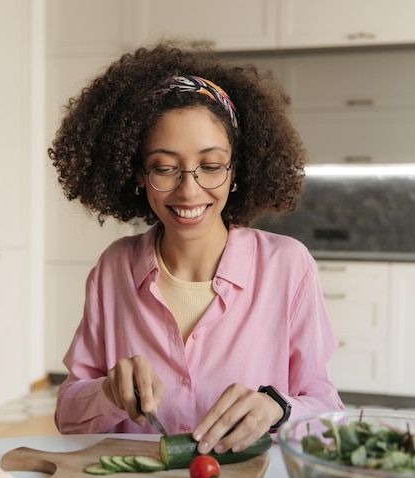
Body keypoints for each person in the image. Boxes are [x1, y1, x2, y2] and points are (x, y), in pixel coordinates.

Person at [48, 39, 343, 454]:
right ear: (137, 175)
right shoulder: (114, 268)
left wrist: (277, 407)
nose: (189, 191)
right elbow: (68, 415)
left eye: (210, 166)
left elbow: (329, 412)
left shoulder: (287, 266)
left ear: (236, 171)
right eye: (164, 168)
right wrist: (107, 393)